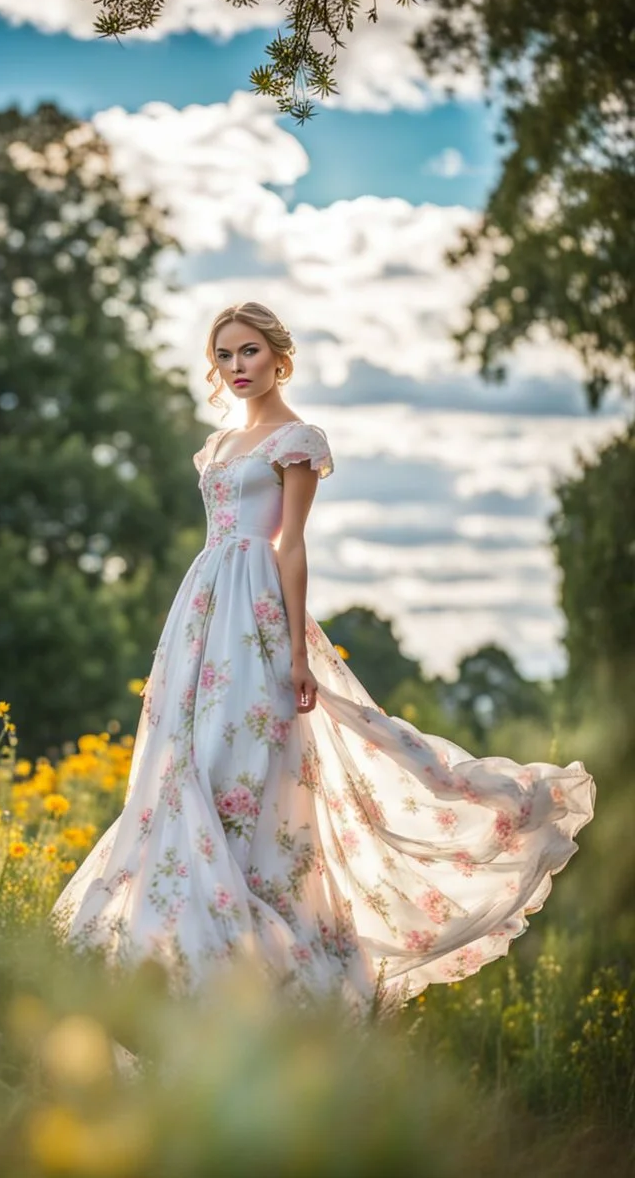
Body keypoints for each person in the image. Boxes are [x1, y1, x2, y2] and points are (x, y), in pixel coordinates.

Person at [51, 301, 596, 1017]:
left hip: (255, 613)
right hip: (199, 615)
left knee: (238, 775)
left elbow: (291, 544)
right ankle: (185, 961)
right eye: (223, 356)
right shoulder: (214, 449)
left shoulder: (297, 441)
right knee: (178, 768)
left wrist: (293, 652)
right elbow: (220, 535)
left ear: (278, 356)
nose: (236, 367)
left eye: (248, 351)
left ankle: (263, 972)